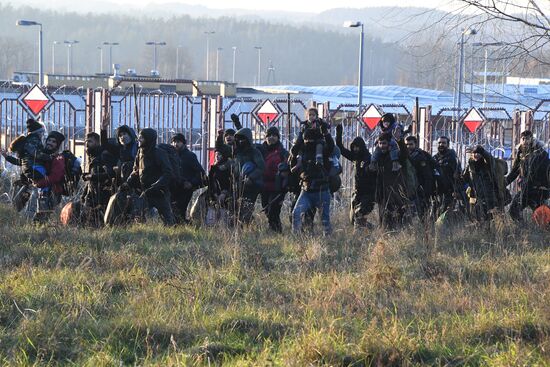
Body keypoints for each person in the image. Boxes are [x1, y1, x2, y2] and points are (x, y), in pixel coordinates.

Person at [123, 128, 175, 226]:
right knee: (138, 217)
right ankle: (142, 235)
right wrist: (127, 182)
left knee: (168, 221)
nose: (139, 139)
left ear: (148, 139)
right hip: (145, 191)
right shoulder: (140, 152)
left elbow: (168, 173)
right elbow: (136, 170)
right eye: (139, 137)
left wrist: (157, 185)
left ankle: (172, 238)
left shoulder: (159, 153)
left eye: (142, 137)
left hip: (160, 193)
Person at [291, 127, 335, 235]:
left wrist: (326, 133)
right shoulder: (301, 151)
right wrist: (300, 134)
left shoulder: (322, 150)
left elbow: (331, 146)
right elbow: (294, 151)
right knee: (296, 214)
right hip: (306, 190)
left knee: (325, 221)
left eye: (310, 139)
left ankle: (329, 241)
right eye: (305, 139)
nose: (307, 142)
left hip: (322, 190)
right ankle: (295, 239)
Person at [335, 123, 376, 227]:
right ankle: (370, 229)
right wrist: (339, 133)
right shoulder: (355, 157)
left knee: (359, 214)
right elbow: (341, 149)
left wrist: (368, 169)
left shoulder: (368, 158)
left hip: (368, 193)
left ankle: (360, 235)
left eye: (357, 147)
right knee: (353, 219)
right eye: (354, 148)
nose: (355, 150)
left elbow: (371, 173)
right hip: (357, 192)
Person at [506, 130, 550, 221]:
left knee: (543, 216)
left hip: (538, 191)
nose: (525, 141)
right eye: (523, 139)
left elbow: (547, 172)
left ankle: (541, 233)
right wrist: (504, 183)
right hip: (525, 190)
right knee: (513, 211)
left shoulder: (541, 154)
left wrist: (546, 187)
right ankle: (522, 230)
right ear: (520, 140)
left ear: (532, 139)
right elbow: (515, 172)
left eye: (527, 138)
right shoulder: (521, 153)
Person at [372, 133, 410, 229]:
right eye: (380, 143)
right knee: (383, 223)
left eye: (384, 143)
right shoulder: (378, 157)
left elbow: (404, 154)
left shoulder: (396, 157)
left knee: (397, 221)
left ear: (389, 144)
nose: (382, 146)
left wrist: (400, 141)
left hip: (395, 195)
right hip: (382, 195)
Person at [257, 126, 289, 232]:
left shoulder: (283, 152)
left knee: (274, 210)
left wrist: (285, 185)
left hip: (277, 186)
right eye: (269, 135)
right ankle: (275, 228)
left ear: (278, 137)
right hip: (264, 186)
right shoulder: (260, 150)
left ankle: (275, 230)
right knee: (266, 209)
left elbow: (287, 168)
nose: (271, 138)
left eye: (274, 135)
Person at [81, 132, 117, 226]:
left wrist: (93, 177)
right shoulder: (92, 156)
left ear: (97, 142)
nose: (87, 144)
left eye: (90, 141)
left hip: (103, 193)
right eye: (85, 142)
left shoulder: (104, 155)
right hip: (93, 193)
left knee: (103, 220)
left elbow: (110, 174)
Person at [231, 127, 265, 225]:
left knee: (246, 210)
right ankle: (245, 228)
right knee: (235, 209)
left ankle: (250, 229)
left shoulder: (254, 152)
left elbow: (261, 168)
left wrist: (251, 178)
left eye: (243, 139)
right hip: (238, 184)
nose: (240, 141)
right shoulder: (236, 152)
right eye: (239, 139)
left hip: (251, 185)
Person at [32, 131, 67, 223]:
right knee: (41, 219)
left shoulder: (58, 158)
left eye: (54, 142)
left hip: (52, 193)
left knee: (41, 220)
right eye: (49, 140)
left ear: (57, 145)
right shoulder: (45, 156)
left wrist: (39, 183)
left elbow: (55, 177)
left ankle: (45, 236)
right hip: (44, 192)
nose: (50, 143)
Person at [170, 133, 205, 223]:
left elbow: (200, 173)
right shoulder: (170, 156)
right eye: (173, 142)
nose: (175, 144)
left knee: (181, 212)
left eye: (178, 142)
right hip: (172, 188)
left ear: (183, 143)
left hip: (185, 189)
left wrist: (191, 183)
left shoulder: (190, 156)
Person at [462, 145, 500, 221]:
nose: (476, 155)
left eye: (478, 153)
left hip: (489, 197)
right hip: (476, 197)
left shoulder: (488, 164)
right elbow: (464, 179)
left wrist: (481, 150)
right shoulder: (470, 166)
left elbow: (490, 158)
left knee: (485, 217)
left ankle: (487, 231)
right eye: (474, 153)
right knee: (476, 217)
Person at [405, 135, 437, 219]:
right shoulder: (405, 155)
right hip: (410, 187)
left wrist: (426, 190)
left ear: (415, 144)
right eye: (406, 145)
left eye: (410, 144)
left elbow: (427, 175)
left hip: (420, 188)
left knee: (421, 212)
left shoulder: (421, 156)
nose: (408, 147)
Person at [433, 136, 462, 216]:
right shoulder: (435, 158)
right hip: (437, 191)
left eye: (443, 143)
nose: (441, 144)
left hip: (449, 191)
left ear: (448, 144)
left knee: (444, 213)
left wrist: (456, 190)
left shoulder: (452, 157)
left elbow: (457, 176)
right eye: (439, 143)